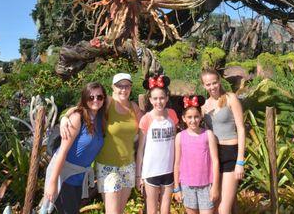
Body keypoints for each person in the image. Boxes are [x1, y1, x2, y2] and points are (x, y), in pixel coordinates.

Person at [62, 73, 142, 214]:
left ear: (131, 87)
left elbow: (146, 125)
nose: (123, 89)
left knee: (120, 210)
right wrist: (65, 117)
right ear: (113, 87)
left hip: (128, 166)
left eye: (127, 86)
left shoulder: (133, 107)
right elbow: (82, 108)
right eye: (119, 86)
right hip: (108, 167)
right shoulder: (107, 102)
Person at [43, 82, 106, 214]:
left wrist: (66, 115)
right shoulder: (78, 118)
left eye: (99, 97)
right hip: (64, 176)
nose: (95, 100)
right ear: (84, 99)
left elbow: (121, 96)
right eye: (91, 97)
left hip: (79, 177)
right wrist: (53, 182)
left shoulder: (101, 118)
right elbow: (62, 152)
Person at [201, 69, 245, 214]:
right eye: (208, 84)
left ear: (219, 82)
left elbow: (241, 129)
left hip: (230, 154)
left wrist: (240, 162)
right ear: (204, 86)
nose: (212, 87)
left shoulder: (231, 98)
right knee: (213, 203)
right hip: (214, 156)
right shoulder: (204, 106)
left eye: (214, 83)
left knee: (224, 208)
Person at [136, 74, 178, 214]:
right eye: (155, 98)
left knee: (166, 210)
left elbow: (176, 144)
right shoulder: (146, 119)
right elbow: (141, 150)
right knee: (152, 210)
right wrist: (138, 175)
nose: (158, 102)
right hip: (151, 171)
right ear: (150, 99)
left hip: (169, 170)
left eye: (161, 98)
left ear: (166, 98)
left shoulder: (172, 115)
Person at [173, 95, 220, 214]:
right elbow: (177, 164)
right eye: (189, 117)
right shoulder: (180, 137)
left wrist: (215, 186)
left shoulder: (208, 135)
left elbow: (215, 161)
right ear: (183, 118)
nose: (193, 120)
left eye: (196, 117)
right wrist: (177, 188)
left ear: (201, 117)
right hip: (187, 185)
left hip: (206, 185)